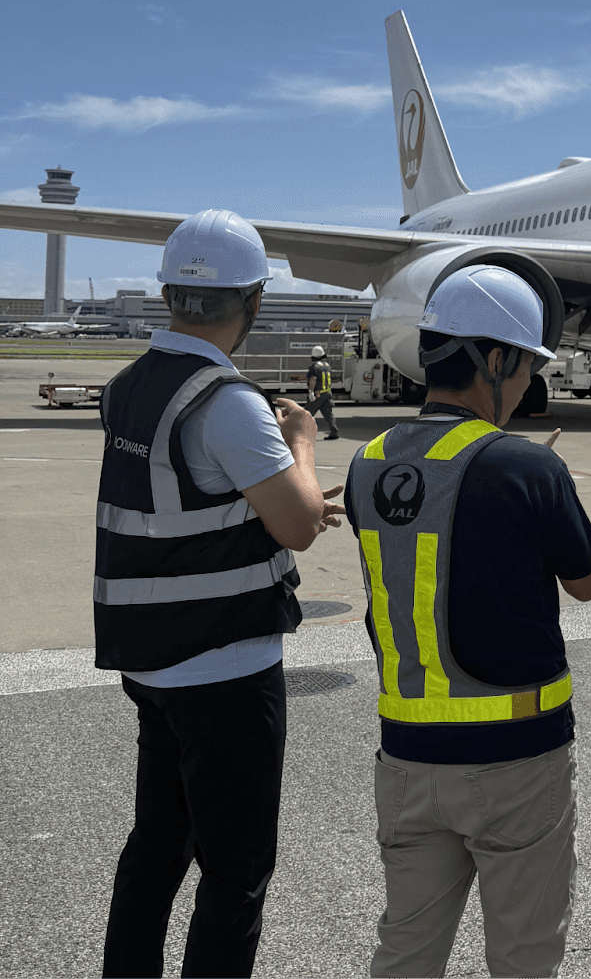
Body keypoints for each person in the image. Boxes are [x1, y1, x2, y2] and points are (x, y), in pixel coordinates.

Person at [345, 265, 591, 979]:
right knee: (525, 955)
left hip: (406, 755)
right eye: (528, 367)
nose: (530, 383)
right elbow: (588, 579)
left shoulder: (367, 462)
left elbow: (439, 530)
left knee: (406, 953)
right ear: (496, 360)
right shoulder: (525, 467)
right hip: (516, 758)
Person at [98, 209, 343, 978]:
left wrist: (275, 498)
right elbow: (297, 525)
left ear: (168, 293)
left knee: (157, 846)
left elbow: (184, 498)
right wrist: (301, 445)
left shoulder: (126, 388)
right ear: (254, 300)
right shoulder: (226, 401)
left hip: (152, 658)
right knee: (235, 873)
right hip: (223, 667)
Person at [305, 344, 341, 441]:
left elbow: (313, 379)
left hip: (318, 394)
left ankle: (302, 433)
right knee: (328, 415)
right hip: (327, 393)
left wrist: (311, 392)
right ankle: (334, 432)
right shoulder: (327, 366)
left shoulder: (314, 367)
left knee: (307, 414)